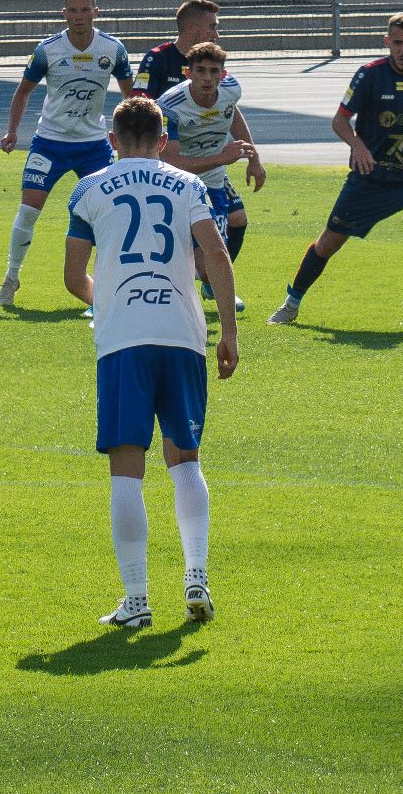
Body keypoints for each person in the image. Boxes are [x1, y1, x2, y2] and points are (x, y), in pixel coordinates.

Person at [62, 97, 239, 628]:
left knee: (126, 468)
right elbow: (216, 257)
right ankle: (196, 576)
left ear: (112, 140)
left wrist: (109, 299)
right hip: (183, 335)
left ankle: (137, 600)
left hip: (124, 340)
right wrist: (227, 330)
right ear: (163, 141)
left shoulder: (89, 189)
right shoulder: (189, 186)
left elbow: (73, 278)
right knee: (185, 458)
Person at [269, 13, 403, 330]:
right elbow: (339, 120)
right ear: (387, 42)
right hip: (371, 179)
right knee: (329, 243)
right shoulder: (369, 76)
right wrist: (357, 146)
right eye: (397, 43)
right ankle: (291, 304)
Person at [0, 0, 133, 308]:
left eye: (85, 10)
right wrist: (12, 131)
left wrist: (133, 139)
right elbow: (23, 92)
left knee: (109, 214)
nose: (78, 17)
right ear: (64, 14)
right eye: (72, 11)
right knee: (28, 210)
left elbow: (133, 98)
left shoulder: (113, 49)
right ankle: (11, 277)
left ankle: (112, 284)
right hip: (50, 143)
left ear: (95, 13)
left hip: (94, 145)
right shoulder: (48, 50)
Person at [155, 41, 261, 315]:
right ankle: (208, 281)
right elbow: (170, 160)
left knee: (239, 220)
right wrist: (220, 159)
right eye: (200, 71)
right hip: (184, 178)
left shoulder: (231, 89)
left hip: (216, 172)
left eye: (214, 71)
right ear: (187, 73)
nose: (207, 78)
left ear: (223, 75)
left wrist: (253, 157)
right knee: (207, 248)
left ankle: (213, 283)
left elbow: (232, 113)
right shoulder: (171, 105)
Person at [137, 0, 219, 99]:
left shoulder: (213, 62)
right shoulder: (157, 58)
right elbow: (139, 104)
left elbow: (226, 105)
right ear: (191, 29)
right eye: (212, 27)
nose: (216, 34)